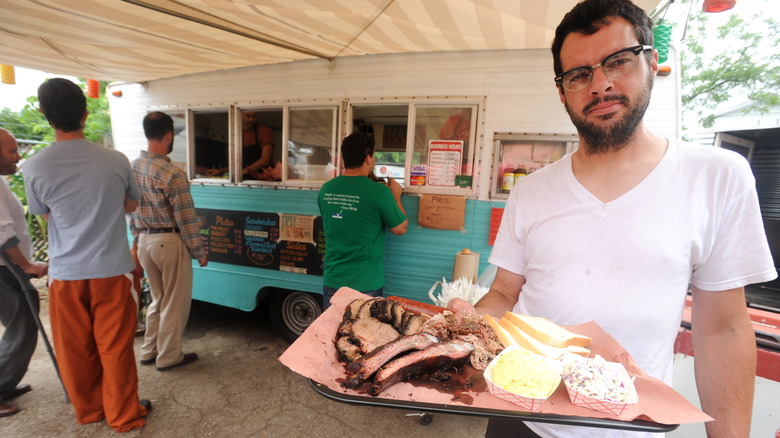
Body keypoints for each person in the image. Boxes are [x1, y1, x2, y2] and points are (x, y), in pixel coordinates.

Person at [448, 1, 777, 437]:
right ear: (563, 91)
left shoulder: (717, 176)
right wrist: (471, 320)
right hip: (520, 415)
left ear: (652, 62)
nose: (601, 84)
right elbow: (504, 293)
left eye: (618, 61)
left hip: (631, 426)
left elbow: (722, 329)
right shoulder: (531, 190)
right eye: (580, 74)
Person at [22, 78, 150, 432]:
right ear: (85, 111)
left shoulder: (32, 167)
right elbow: (131, 204)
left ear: (45, 115)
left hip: (65, 273)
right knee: (116, 349)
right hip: (113, 269)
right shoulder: (115, 159)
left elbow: (46, 216)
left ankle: (90, 411)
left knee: (75, 351)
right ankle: (123, 415)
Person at [129, 111, 207, 371]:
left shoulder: (132, 167)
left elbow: (128, 208)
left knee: (158, 298)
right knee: (175, 302)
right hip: (169, 241)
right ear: (169, 135)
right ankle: (169, 356)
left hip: (144, 241)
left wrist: (135, 239)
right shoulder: (172, 172)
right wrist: (199, 250)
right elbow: (185, 217)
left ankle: (148, 350)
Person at [318, 132, 408, 310]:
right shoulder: (379, 193)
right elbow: (400, 228)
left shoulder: (326, 190)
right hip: (366, 284)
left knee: (333, 335)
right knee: (363, 335)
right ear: (368, 158)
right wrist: (396, 196)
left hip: (333, 280)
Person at [0, 128, 48, 419]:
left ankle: (6, 382)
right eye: (11, 151)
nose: (18, 156)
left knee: (18, 325)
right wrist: (27, 265)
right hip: (6, 268)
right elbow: (3, 234)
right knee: (23, 326)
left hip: (7, 267)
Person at [206, 111, 274, 180]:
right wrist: (219, 171)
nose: (251, 119)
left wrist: (242, 172)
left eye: (254, 116)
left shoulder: (264, 131)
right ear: (239, 115)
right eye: (248, 116)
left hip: (262, 180)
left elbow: (265, 160)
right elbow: (236, 164)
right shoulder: (236, 133)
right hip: (243, 180)